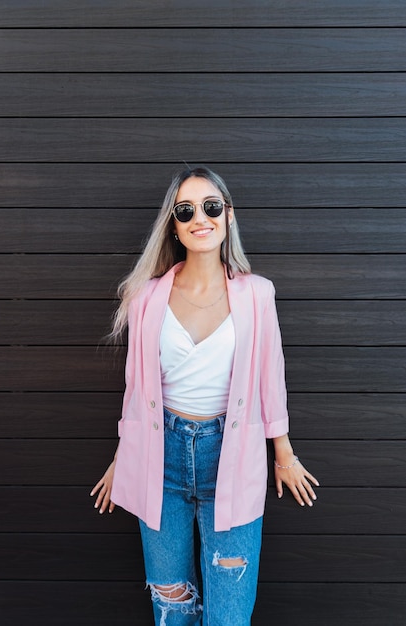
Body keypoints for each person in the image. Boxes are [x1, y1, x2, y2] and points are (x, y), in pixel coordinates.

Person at [90, 166, 319, 626]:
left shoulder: (257, 294)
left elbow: (270, 378)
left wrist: (285, 455)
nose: (201, 218)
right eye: (186, 210)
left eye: (212, 206)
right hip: (160, 462)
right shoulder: (147, 297)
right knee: (171, 609)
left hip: (232, 461)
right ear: (173, 225)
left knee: (228, 617)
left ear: (228, 216)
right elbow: (137, 389)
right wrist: (124, 457)